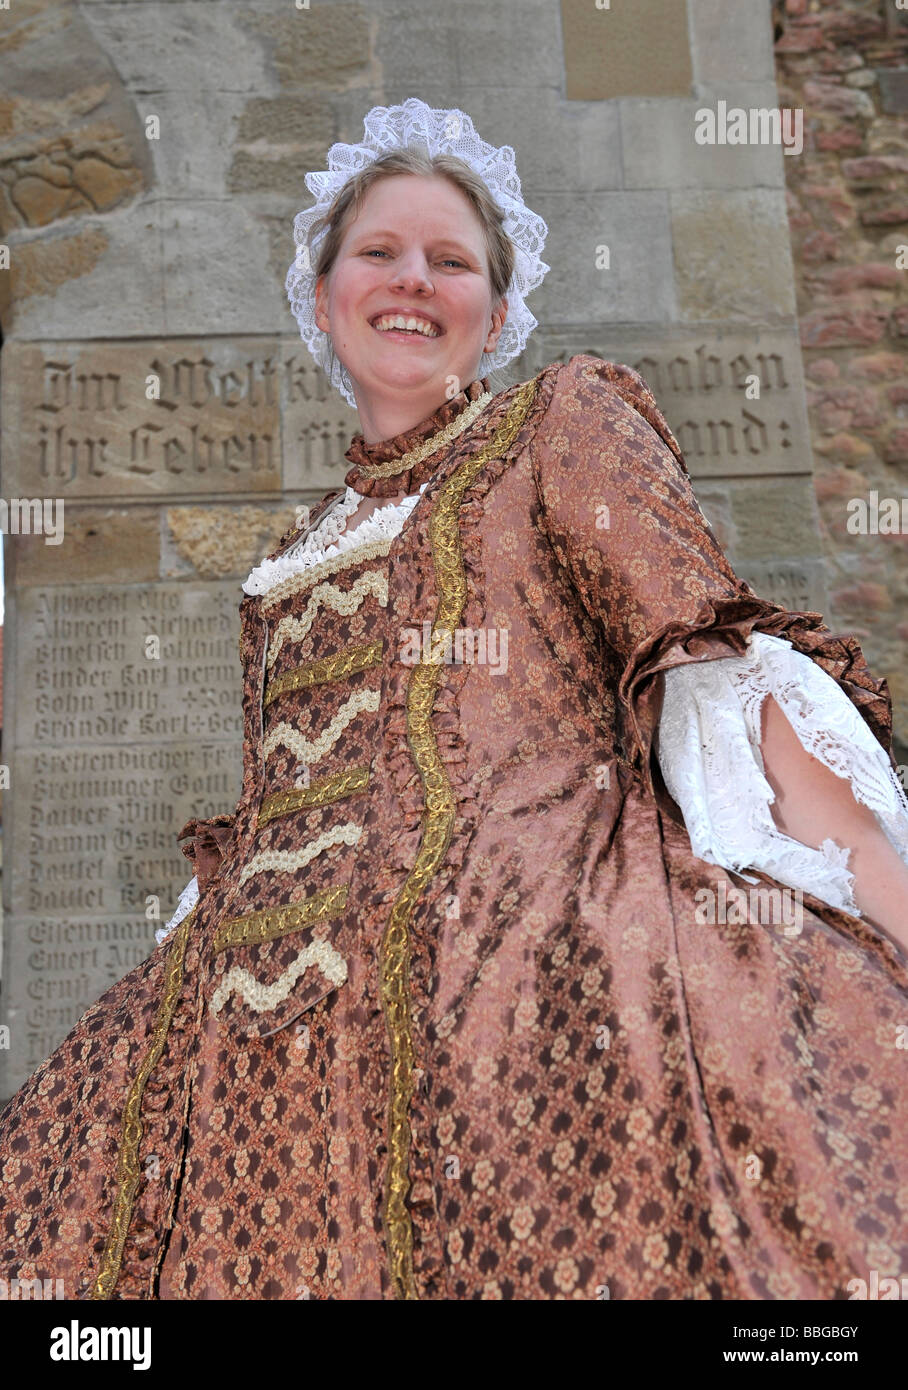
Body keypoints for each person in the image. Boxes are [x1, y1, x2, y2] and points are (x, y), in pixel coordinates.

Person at [1, 98, 907, 1302]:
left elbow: (710, 669)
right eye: (378, 252)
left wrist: (870, 881)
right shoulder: (282, 564)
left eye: (451, 261)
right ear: (323, 294)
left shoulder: (559, 421)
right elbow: (279, 809)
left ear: (494, 305)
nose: (412, 280)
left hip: (525, 941)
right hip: (257, 1019)